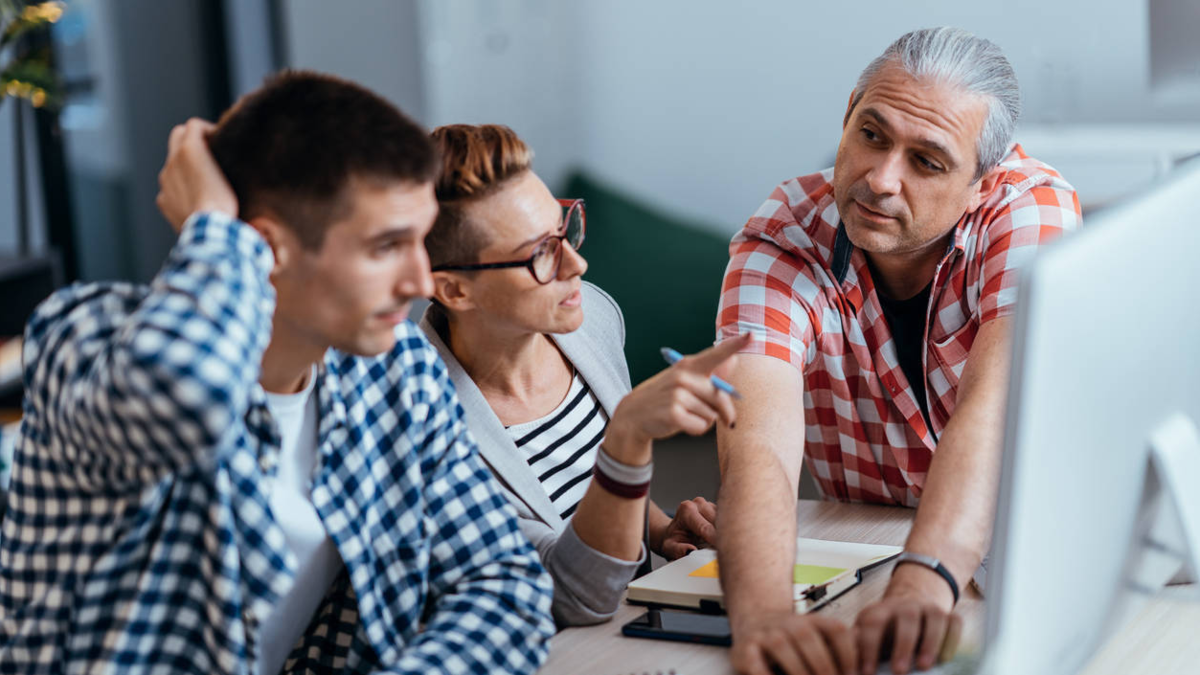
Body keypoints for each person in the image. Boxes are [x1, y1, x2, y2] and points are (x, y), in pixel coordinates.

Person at [0, 72, 554, 674]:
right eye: (386, 247)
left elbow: (504, 586)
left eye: (420, 241)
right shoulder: (87, 337)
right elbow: (188, 395)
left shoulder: (399, 371)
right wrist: (212, 226)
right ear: (262, 247)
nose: (421, 282)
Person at [712, 28, 1081, 675]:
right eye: (871, 135)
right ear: (849, 111)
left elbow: (995, 412)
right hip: (868, 545)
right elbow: (759, 444)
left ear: (981, 184)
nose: (880, 180)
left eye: (927, 161)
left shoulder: (1028, 208)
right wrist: (764, 616)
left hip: (1041, 547)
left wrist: (922, 581)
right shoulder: (782, 238)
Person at [418, 124, 748, 626]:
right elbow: (574, 597)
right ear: (455, 291)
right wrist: (629, 435)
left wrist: (658, 530)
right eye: (540, 254)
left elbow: (585, 493)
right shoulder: (421, 426)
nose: (577, 262)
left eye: (564, 227)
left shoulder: (590, 317)